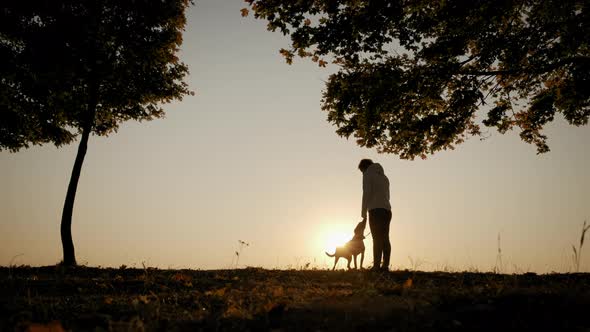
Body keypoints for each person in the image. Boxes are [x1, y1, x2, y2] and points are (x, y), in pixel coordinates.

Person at [358, 159, 392, 272]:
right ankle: (385, 266)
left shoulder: (368, 174)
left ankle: (376, 266)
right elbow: (388, 195)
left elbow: (366, 192)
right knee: (385, 238)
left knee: (376, 238)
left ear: (364, 168)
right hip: (387, 210)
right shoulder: (384, 177)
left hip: (375, 210)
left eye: (362, 171)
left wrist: (363, 212)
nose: (362, 174)